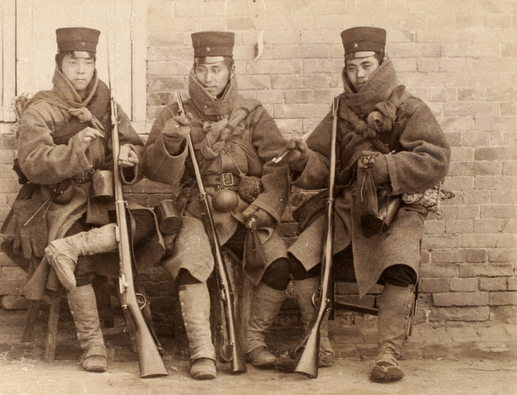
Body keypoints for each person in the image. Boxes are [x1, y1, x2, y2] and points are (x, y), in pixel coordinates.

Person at [276, 26, 451, 382]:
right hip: (349, 206)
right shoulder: (340, 112)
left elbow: (436, 159)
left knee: (400, 266)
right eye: (352, 67)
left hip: (397, 209)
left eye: (366, 65)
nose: (359, 75)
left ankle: (388, 354)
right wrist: (301, 160)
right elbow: (324, 165)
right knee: (300, 258)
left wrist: (386, 166)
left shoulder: (410, 109)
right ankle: (317, 344)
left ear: (382, 63)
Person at [141, 31, 304, 379]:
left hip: (244, 212)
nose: (208, 78)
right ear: (194, 70)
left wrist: (264, 209)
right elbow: (154, 173)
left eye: (216, 69)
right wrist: (171, 141)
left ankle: (252, 342)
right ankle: (202, 351)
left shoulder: (253, 114)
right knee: (192, 263)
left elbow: (277, 165)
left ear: (231, 70)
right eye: (202, 69)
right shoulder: (175, 113)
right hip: (195, 210)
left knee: (276, 261)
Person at [1, 27, 164, 373]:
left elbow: (135, 145)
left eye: (87, 62)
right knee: (83, 262)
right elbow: (32, 162)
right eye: (72, 61)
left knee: (149, 226)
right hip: (57, 202)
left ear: (94, 66)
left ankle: (71, 248)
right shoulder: (41, 108)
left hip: (103, 198)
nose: (80, 69)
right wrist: (74, 151)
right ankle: (93, 345)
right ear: (60, 63)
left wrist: (129, 157)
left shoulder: (109, 105)